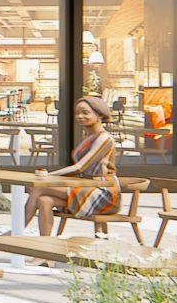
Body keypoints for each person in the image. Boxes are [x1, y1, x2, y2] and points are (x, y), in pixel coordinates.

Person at [29, 97, 121, 234]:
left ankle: (16, 230)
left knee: (38, 189)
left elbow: (80, 167)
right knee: (44, 200)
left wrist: (48, 176)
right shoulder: (89, 137)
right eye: (77, 113)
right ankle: (44, 248)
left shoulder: (104, 138)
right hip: (86, 187)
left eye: (85, 112)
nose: (80, 116)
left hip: (103, 191)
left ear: (99, 114)